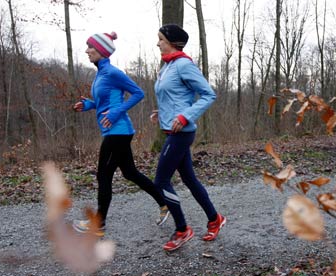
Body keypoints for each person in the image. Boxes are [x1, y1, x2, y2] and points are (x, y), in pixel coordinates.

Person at [72, 31, 170, 237]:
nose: (86, 50)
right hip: (114, 131)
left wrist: (117, 112)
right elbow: (104, 102)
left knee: (104, 175)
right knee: (129, 173)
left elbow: (138, 93)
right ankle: (165, 203)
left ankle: (99, 223)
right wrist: (89, 105)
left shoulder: (113, 72)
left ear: (101, 50)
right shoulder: (100, 74)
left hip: (118, 131)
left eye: (90, 47)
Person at [151, 24, 226, 251]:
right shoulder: (168, 67)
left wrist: (184, 116)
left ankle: (182, 229)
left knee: (161, 181)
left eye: (161, 39)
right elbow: (174, 97)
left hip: (181, 133)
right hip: (172, 130)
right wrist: (162, 112)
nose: (158, 44)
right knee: (189, 180)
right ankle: (215, 219)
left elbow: (208, 94)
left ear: (173, 42)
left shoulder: (183, 65)